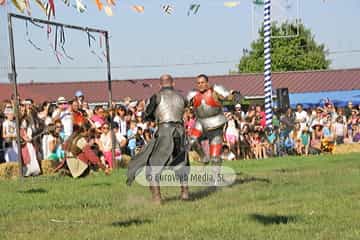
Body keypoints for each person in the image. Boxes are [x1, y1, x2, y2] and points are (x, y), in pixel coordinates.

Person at [127, 74, 188, 204]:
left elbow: (147, 114)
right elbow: (183, 109)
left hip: (165, 131)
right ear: (174, 83)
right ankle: (184, 192)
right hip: (180, 131)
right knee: (181, 161)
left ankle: (157, 198)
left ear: (160, 85)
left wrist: (149, 116)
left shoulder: (156, 96)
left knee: (153, 164)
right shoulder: (182, 97)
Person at [187, 74, 234, 172]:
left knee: (215, 156)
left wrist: (233, 95)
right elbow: (183, 104)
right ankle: (204, 157)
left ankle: (216, 180)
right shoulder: (193, 95)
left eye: (202, 82)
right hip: (200, 122)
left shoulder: (215, 91)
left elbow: (228, 96)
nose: (200, 85)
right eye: (198, 83)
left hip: (216, 122)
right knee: (192, 141)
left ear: (207, 83)